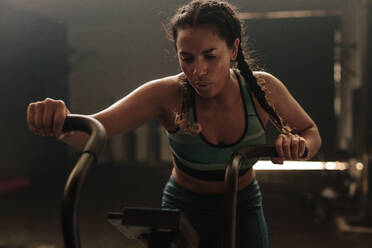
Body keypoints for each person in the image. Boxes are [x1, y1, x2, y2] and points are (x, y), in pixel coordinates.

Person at [27, 0, 321, 247]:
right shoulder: (166, 94)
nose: (198, 71)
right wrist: (59, 118)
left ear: (233, 50)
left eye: (210, 56)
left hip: (242, 205)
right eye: (187, 58)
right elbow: (93, 130)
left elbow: (311, 133)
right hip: (184, 206)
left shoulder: (261, 89)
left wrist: (298, 146)